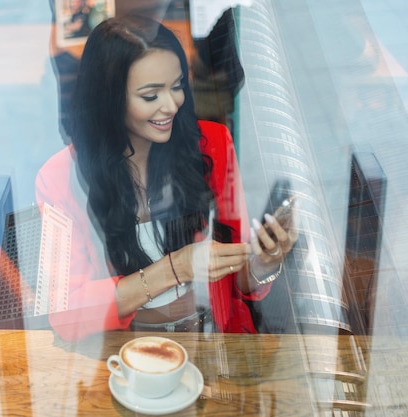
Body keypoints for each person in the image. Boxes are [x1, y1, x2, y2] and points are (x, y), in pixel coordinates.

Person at [36, 15, 298, 341]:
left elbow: (238, 281)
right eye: (150, 96)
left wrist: (264, 264)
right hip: (124, 353)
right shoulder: (59, 177)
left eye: (177, 87)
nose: (171, 105)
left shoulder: (214, 146)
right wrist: (176, 268)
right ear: (109, 98)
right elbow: (66, 313)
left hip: (210, 340)